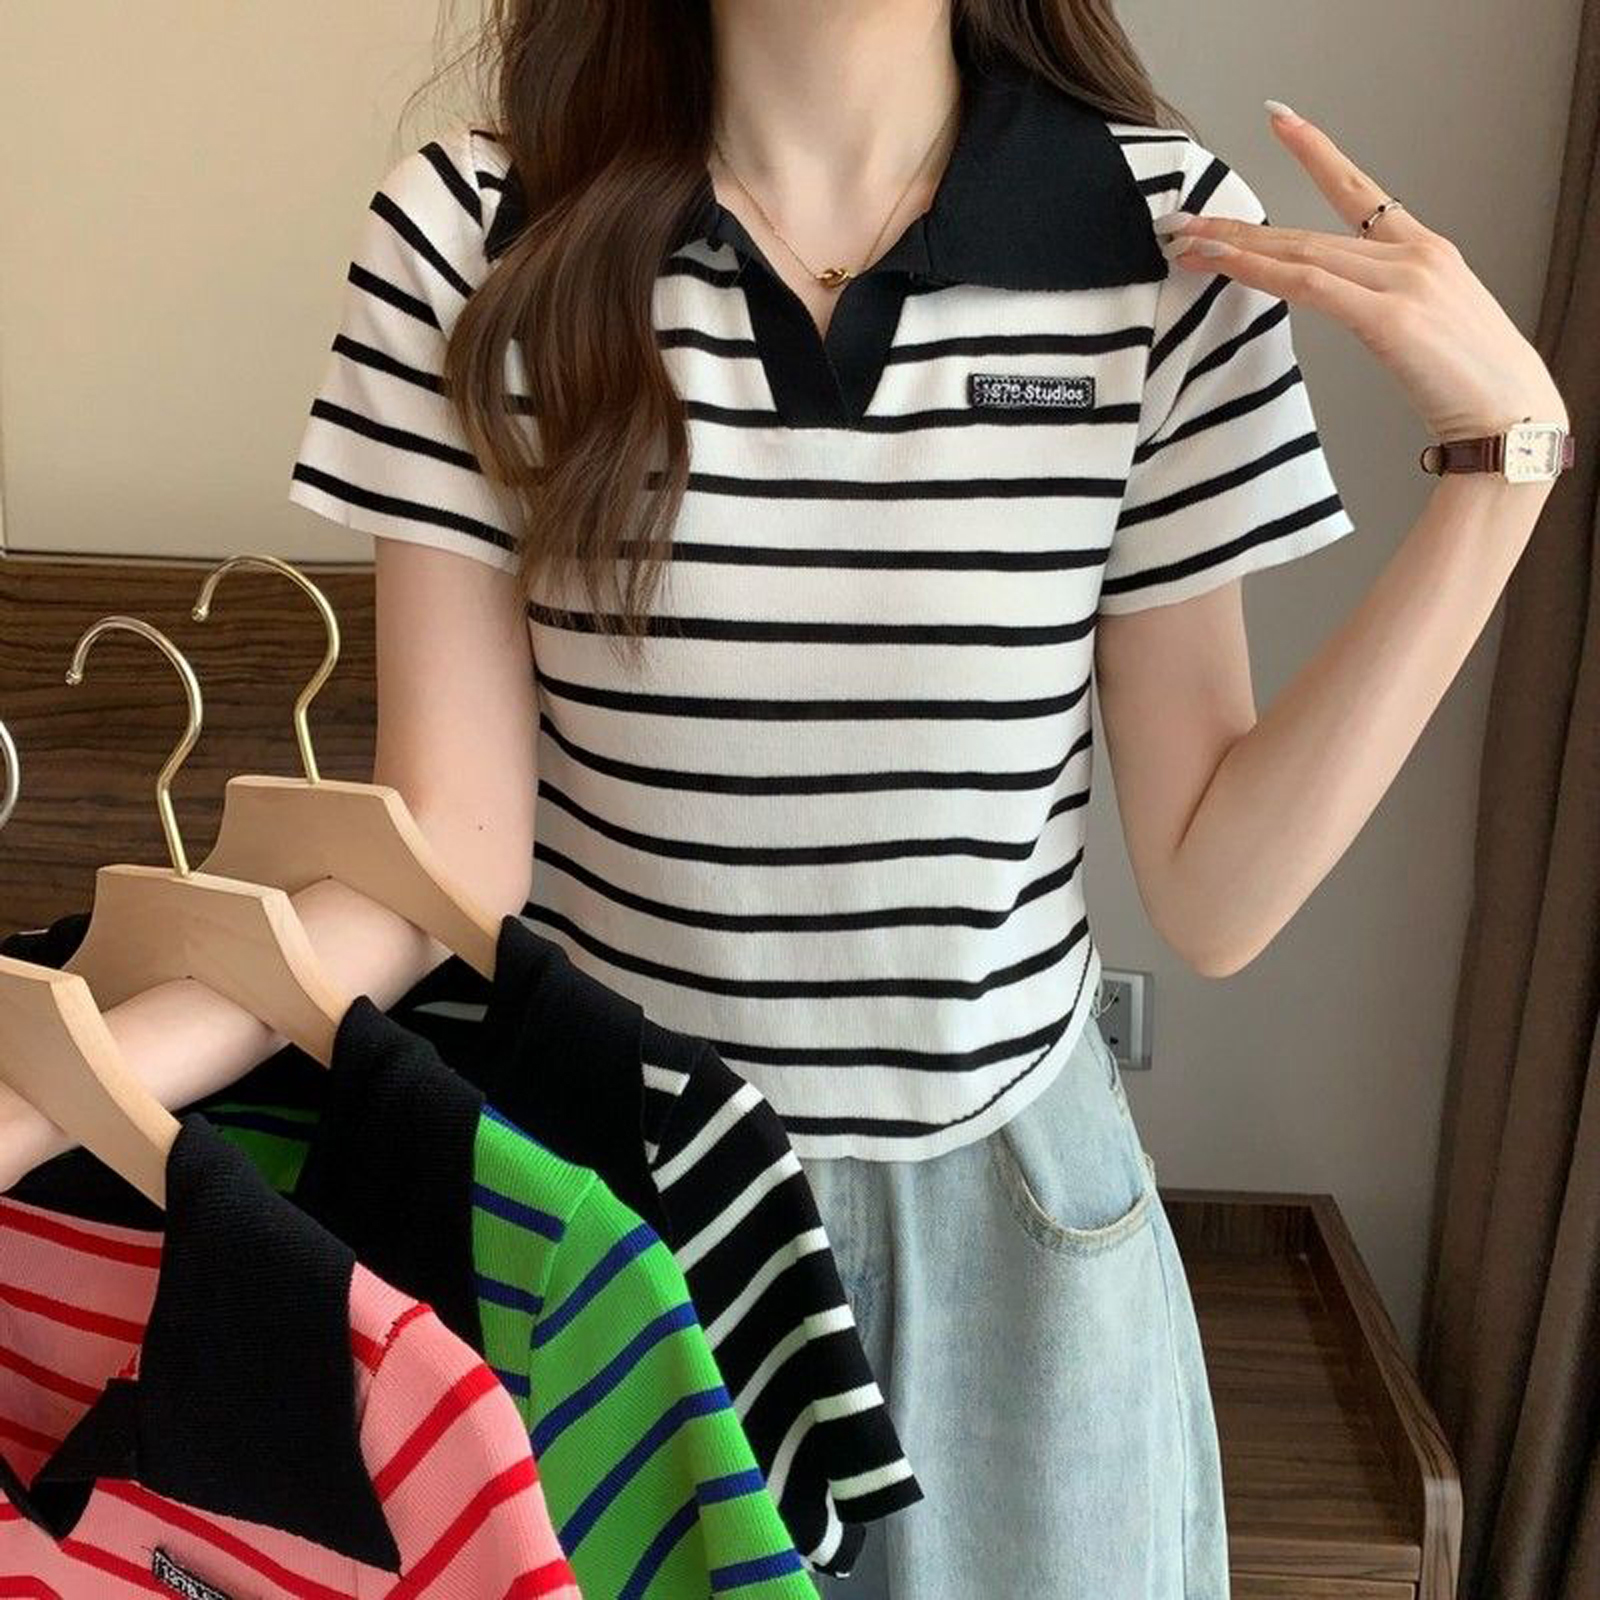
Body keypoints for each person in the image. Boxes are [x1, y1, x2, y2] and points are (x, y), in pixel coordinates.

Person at [271, 2, 1569, 1595]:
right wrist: (90, 1068)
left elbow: (1216, 892)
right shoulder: (477, 233)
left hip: (1015, 1232)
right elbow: (447, 854)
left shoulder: (1160, 242)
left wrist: (1500, 477)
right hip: (623, 1224)